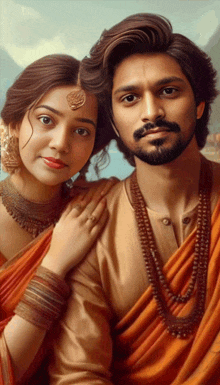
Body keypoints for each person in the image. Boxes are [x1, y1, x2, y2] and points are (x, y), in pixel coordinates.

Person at [49, 14, 220, 385]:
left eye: (169, 91)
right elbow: (78, 374)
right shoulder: (92, 223)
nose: (151, 112)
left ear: (201, 103)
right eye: (130, 98)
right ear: (112, 117)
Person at [0, 54, 116, 384]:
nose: (61, 144)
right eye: (47, 121)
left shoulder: (92, 209)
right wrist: (55, 264)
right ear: (14, 122)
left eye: (81, 130)